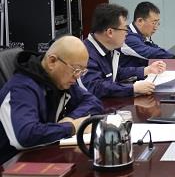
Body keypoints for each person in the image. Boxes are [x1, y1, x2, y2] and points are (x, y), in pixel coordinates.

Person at [0, 36, 103, 164]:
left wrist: (70, 118)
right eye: (76, 70)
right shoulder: (21, 88)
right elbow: (26, 135)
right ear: (52, 61)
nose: (77, 77)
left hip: (40, 155)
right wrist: (71, 127)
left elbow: (93, 102)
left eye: (82, 72)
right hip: (11, 166)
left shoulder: (59, 80)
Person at [81, 3, 165, 98]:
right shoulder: (85, 54)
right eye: (125, 29)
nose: (127, 33)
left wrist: (146, 70)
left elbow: (117, 72)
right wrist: (132, 88)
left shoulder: (108, 49)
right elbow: (96, 87)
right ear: (110, 32)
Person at [120, 1, 175, 69]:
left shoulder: (142, 35)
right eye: (154, 23)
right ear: (140, 21)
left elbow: (156, 49)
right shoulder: (126, 36)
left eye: (158, 23)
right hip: (126, 80)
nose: (156, 27)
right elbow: (151, 53)